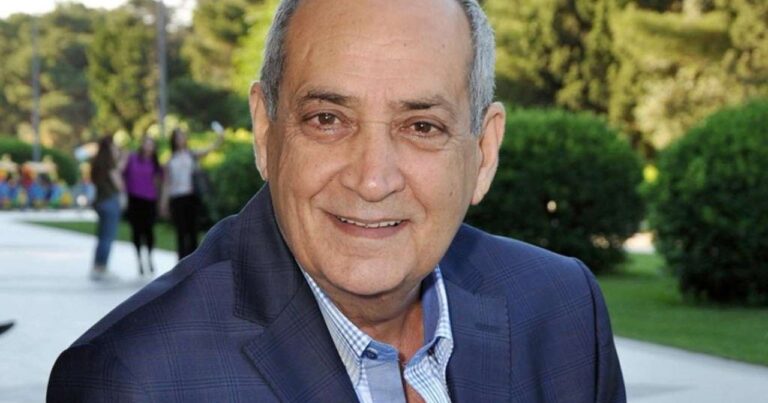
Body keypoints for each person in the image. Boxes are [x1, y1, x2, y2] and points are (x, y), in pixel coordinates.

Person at [48, 0, 625, 401]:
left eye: (421, 126)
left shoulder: (562, 310)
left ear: (483, 152)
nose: (372, 180)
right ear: (266, 133)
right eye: (327, 119)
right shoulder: (134, 379)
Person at [161, 127, 222, 260]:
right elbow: (167, 184)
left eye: (182, 136)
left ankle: (194, 262)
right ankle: (181, 262)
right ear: (173, 140)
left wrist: (219, 136)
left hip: (191, 197)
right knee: (181, 232)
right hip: (177, 199)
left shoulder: (191, 155)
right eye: (178, 137)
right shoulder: (170, 160)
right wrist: (163, 203)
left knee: (193, 231)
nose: (180, 139)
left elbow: (211, 149)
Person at [123, 136, 163, 276]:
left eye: (151, 144)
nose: (148, 146)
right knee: (136, 231)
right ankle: (139, 259)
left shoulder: (155, 163)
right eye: (146, 143)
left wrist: (160, 202)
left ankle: (150, 257)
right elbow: (123, 174)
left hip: (149, 200)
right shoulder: (132, 158)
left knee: (149, 230)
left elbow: (158, 182)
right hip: (134, 200)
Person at [89, 135, 125, 281]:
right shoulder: (110, 165)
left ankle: (96, 265)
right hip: (110, 201)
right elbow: (119, 184)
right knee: (107, 237)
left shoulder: (97, 164)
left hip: (100, 202)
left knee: (101, 236)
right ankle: (102, 267)